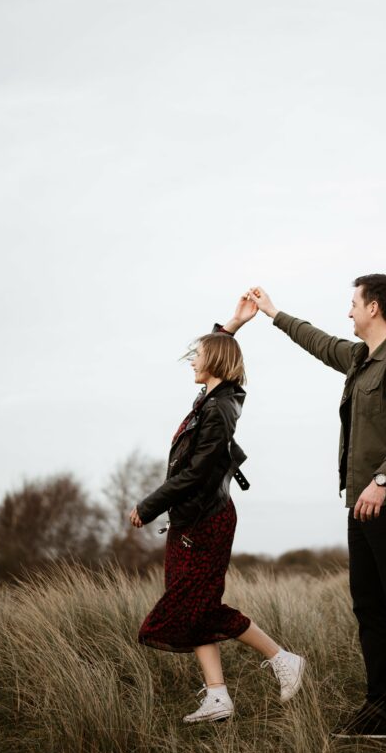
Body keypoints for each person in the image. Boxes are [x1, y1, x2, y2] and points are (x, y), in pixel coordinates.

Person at [249, 276, 386, 747]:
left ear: (374, 307)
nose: (348, 313)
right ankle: (380, 712)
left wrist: (382, 481)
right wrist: (273, 312)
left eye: (352, 305)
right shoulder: (361, 359)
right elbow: (320, 343)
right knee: (369, 608)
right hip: (362, 503)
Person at [130, 295, 305, 724]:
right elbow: (218, 353)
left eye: (199, 355)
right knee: (193, 606)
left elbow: (196, 474)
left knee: (198, 607)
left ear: (215, 364)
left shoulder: (220, 409)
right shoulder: (212, 400)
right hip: (190, 519)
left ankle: (282, 659)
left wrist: (149, 505)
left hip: (206, 521)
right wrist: (233, 323)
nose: (192, 360)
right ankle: (218, 697)